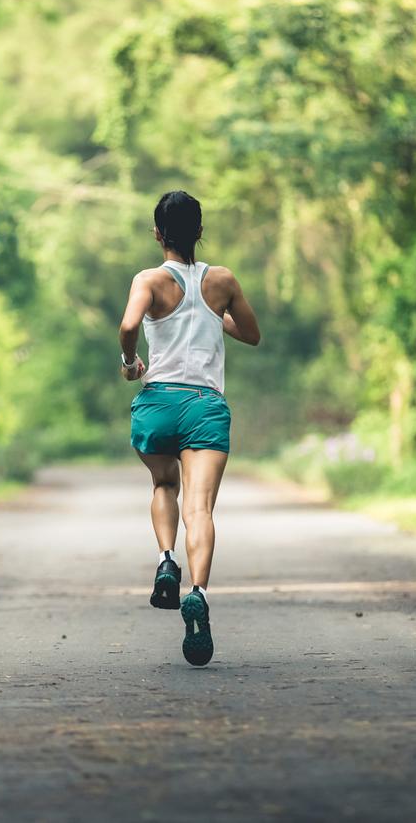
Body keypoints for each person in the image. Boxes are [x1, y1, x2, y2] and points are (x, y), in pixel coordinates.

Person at [117, 190, 261, 666]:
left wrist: (130, 362)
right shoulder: (221, 280)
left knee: (163, 484)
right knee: (200, 508)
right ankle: (197, 591)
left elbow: (127, 326)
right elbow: (252, 334)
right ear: (200, 231)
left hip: (158, 403)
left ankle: (165, 561)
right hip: (204, 406)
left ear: (157, 234)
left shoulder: (149, 280)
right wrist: (210, 315)